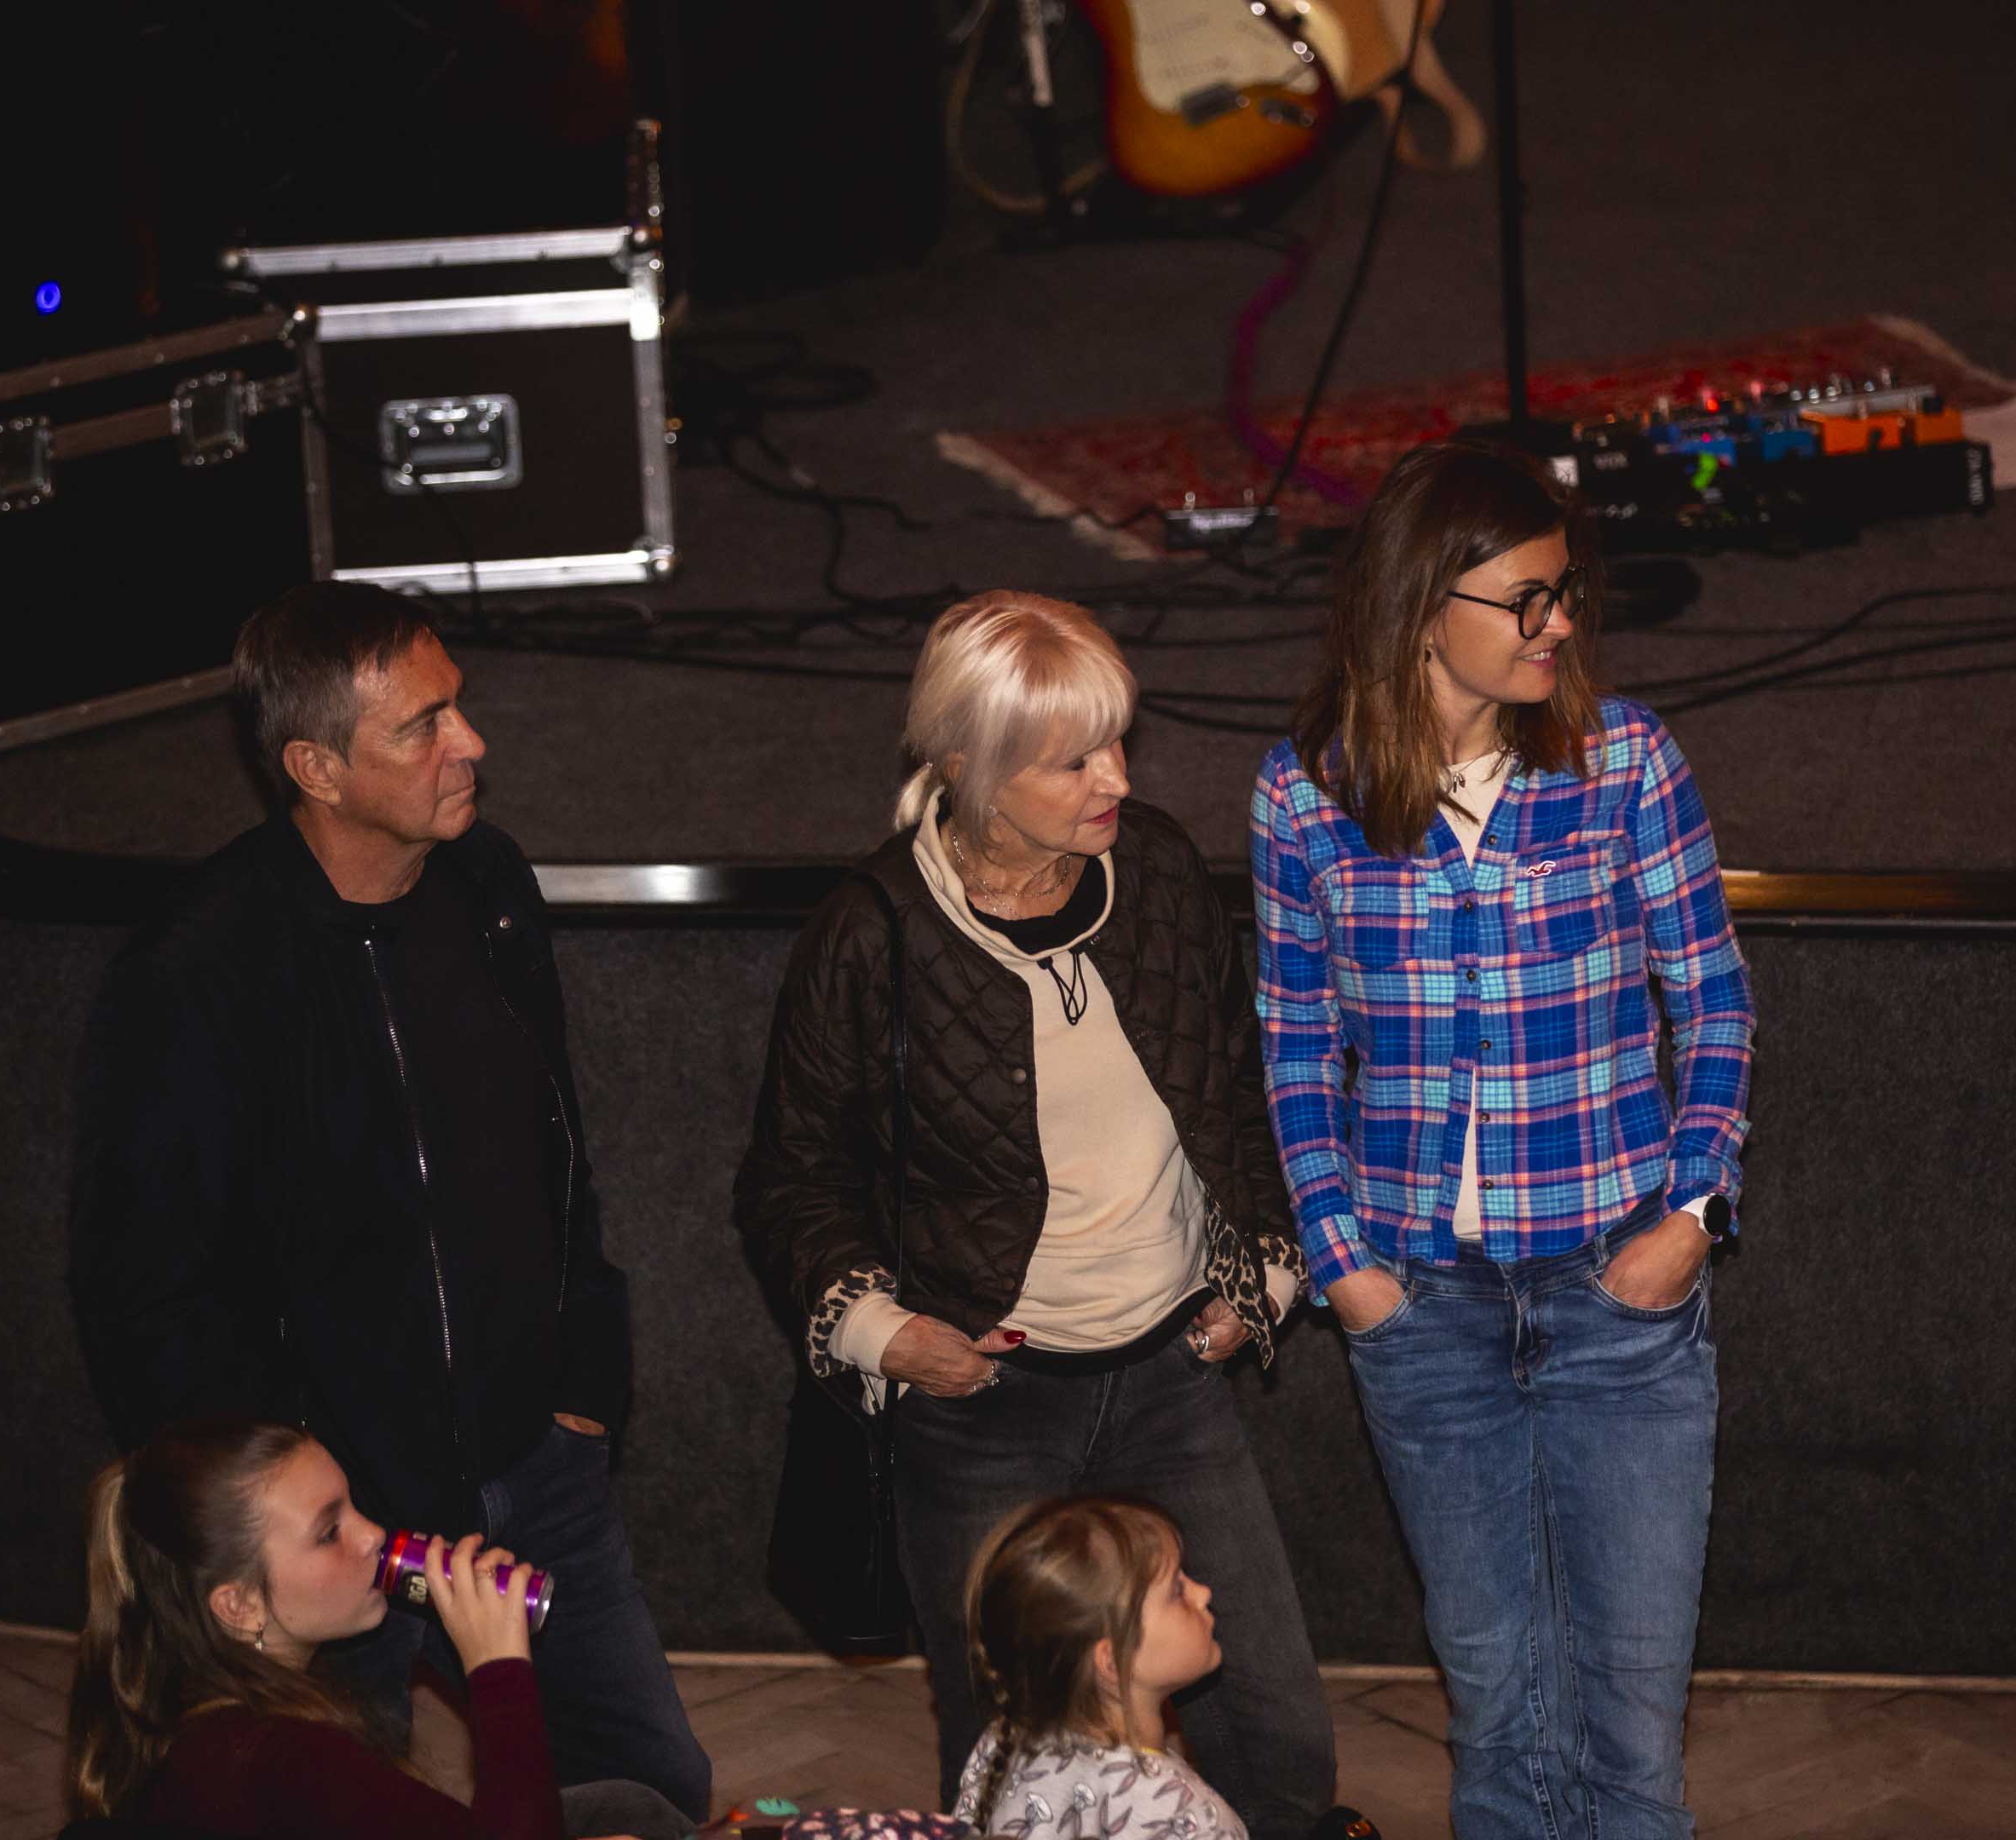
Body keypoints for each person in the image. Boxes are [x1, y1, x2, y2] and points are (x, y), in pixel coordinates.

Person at [68, 582, 709, 1820]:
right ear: (315, 767)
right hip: (336, 1529)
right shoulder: (192, 976)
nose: (470, 743)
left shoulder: (491, 887)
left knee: (652, 1792)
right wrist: (290, 1512)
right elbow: (139, 1290)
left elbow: (557, 1153)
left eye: (456, 705)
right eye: (422, 726)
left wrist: (584, 1384)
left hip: (538, 1467)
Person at [736, 592, 1336, 1840]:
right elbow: (794, 1176)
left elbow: (1236, 1089)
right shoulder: (872, 933)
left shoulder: (1156, 870)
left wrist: (1264, 1275)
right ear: (970, 765)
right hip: (984, 1412)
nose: (1118, 777)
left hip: (1173, 1378)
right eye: (1074, 760)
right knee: (1008, 1756)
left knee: (1275, 1736)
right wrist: (889, 1335)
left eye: (1118, 740)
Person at [1249, 438, 1756, 1840]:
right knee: (1497, 1707)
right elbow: (1295, 1044)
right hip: (1423, 1310)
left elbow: (1713, 1001)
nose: (1561, 624)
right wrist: (1344, 1263)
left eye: (1566, 592)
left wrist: (1690, 1217)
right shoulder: (1305, 794)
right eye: (1527, 598)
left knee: (1633, 1719)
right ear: (1423, 606)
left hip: (1616, 1293)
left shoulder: (1625, 762)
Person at [65, 1416, 676, 1839]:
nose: (374, 1535)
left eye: (354, 1505)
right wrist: (498, 1670)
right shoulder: (290, 1758)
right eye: (329, 1531)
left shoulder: (191, 1704)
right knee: (638, 1817)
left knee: (622, 1806)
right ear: (240, 1605)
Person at [953, 1495, 1244, 1840]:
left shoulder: (1000, 1744)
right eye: (1177, 1592)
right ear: (1113, 1662)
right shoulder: (1192, 1819)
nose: (1203, 1593)